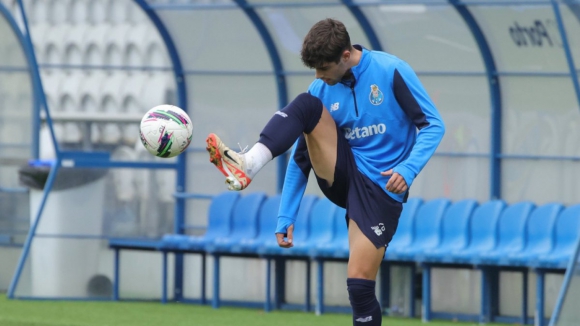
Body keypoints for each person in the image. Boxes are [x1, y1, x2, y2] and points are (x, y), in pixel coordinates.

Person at [206, 18, 444, 326]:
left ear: (346, 56)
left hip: (382, 190)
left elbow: (433, 125)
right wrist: (286, 215)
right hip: (342, 174)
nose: (318, 76)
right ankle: (250, 162)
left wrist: (408, 169)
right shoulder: (320, 88)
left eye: (323, 68)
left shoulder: (390, 70)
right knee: (306, 104)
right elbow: (301, 159)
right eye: (314, 69)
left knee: (359, 286)